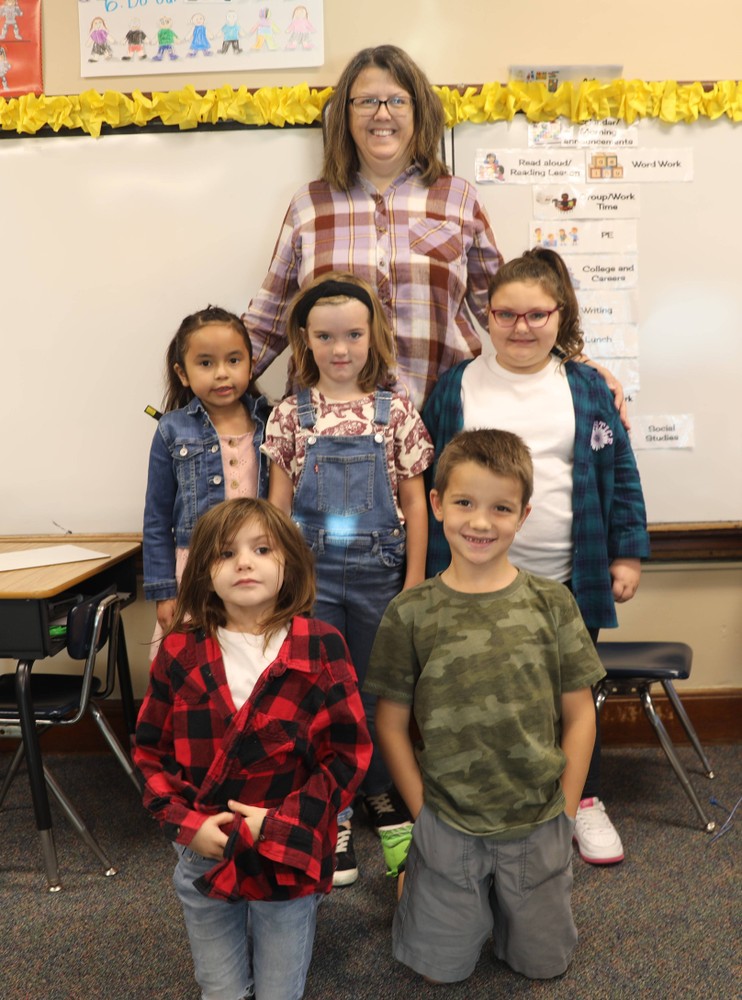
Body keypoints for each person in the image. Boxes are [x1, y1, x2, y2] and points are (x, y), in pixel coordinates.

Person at [423, 247, 650, 864]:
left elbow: (621, 476)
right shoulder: (456, 387)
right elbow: (426, 485)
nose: (521, 328)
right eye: (505, 314)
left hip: (569, 578)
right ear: (487, 317)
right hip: (474, 580)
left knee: (572, 695)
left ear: (560, 315)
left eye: (536, 315)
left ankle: (585, 802)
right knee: (480, 691)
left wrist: (626, 558)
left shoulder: (585, 387)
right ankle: (480, 803)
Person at [365, 429, 606, 985]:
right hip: (448, 820)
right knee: (440, 972)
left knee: (543, 966)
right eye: (465, 503)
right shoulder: (410, 613)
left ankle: (499, 898)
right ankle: (418, 876)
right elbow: (392, 723)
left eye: (500, 508)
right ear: (436, 504)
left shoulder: (553, 603)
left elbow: (580, 713)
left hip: (539, 818)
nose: (480, 522)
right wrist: (422, 813)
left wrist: (567, 808)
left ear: (523, 516)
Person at [133, 497, 372, 1000]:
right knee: (219, 988)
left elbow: (347, 756)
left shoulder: (320, 644)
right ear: (203, 573)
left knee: (280, 989)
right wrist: (185, 823)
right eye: (225, 554)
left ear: (289, 563)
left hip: (286, 850)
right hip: (204, 846)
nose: (243, 561)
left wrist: (283, 823)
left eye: (261, 549)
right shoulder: (180, 648)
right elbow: (150, 751)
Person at [262, 272, 434, 886]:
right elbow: (277, 509)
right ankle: (330, 806)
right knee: (320, 690)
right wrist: (279, 580)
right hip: (310, 576)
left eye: (353, 335)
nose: (341, 348)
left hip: (379, 574)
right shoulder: (289, 413)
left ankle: (383, 795)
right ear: (305, 341)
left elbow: (415, 503)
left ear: (372, 336)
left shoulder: (396, 410)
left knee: (378, 688)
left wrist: (414, 579)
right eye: (326, 336)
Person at [244, 44, 503, 414]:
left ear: (419, 112)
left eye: (398, 100)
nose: (382, 114)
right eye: (366, 101)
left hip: (440, 423)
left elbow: (507, 310)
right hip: (328, 433)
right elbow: (267, 322)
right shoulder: (310, 205)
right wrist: (208, 379)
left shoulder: (458, 198)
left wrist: (573, 367)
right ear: (345, 115)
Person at [143, 306, 270, 643]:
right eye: (205, 363)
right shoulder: (172, 430)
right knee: (194, 662)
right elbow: (156, 518)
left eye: (233, 360)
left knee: (251, 655)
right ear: (182, 373)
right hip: (195, 570)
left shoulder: (273, 424)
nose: (222, 374)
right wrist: (164, 591)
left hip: (258, 566)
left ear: (251, 364)